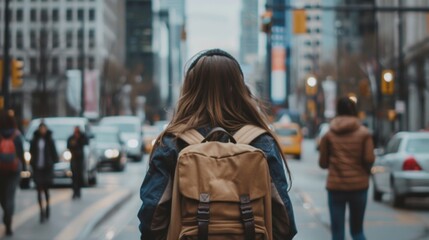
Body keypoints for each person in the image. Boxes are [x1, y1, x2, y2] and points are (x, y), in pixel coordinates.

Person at [138, 49, 297, 239]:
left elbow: (152, 218)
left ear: (189, 91)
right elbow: (284, 223)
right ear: (240, 90)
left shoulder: (172, 142)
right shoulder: (262, 142)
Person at [319, 97, 375, 240]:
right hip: (359, 187)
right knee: (357, 231)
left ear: (338, 111)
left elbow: (323, 163)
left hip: (336, 187)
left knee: (337, 233)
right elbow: (369, 159)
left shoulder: (328, 135)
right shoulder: (364, 133)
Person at [0, 110, 25, 236]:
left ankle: (5, 215)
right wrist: (24, 169)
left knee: (3, 197)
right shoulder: (17, 135)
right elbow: (21, 153)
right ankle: (8, 222)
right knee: (10, 196)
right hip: (14, 169)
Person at [29, 122, 58, 223]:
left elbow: (55, 155)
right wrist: (32, 164)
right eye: (41, 128)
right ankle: (41, 211)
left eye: (44, 128)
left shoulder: (50, 140)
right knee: (38, 190)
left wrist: (51, 163)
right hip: (38, 168)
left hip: (46, 169)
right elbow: (31, 153)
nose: (42, 130)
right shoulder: (35, 140)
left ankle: (47, 207)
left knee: (46, 190)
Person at [67, 126, 88, 199]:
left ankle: (78, 190)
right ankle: (74, 191)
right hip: (73, 159)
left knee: (79, 175)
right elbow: (68, 145)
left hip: (80, 159)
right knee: (74, 176)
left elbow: (86, 142)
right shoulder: (71, 138)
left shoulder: (82, 137)